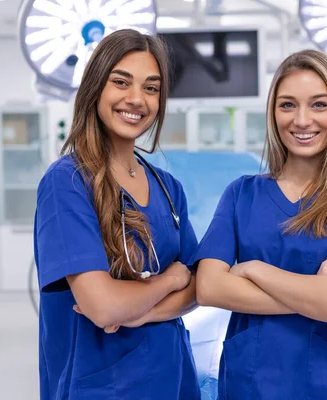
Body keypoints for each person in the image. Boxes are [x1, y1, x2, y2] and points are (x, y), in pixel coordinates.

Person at [189, 49, 327, 399]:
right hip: (255, 381)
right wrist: (320, 289)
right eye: (288, 105)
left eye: (319, 104)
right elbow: (210, 288)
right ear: (273, 113)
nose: (302, 120)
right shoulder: (242, 195)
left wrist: (256, 269)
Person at [33, 29, 200, 400]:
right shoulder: (68, 183)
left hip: (173, 378)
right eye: (121, 82)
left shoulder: (168, 187)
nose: (136, 99)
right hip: (101, 386)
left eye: (152, 88)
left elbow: (197, 288)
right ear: (95, 88)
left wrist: (141, 311)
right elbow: (103, 306)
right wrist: (169, 280)